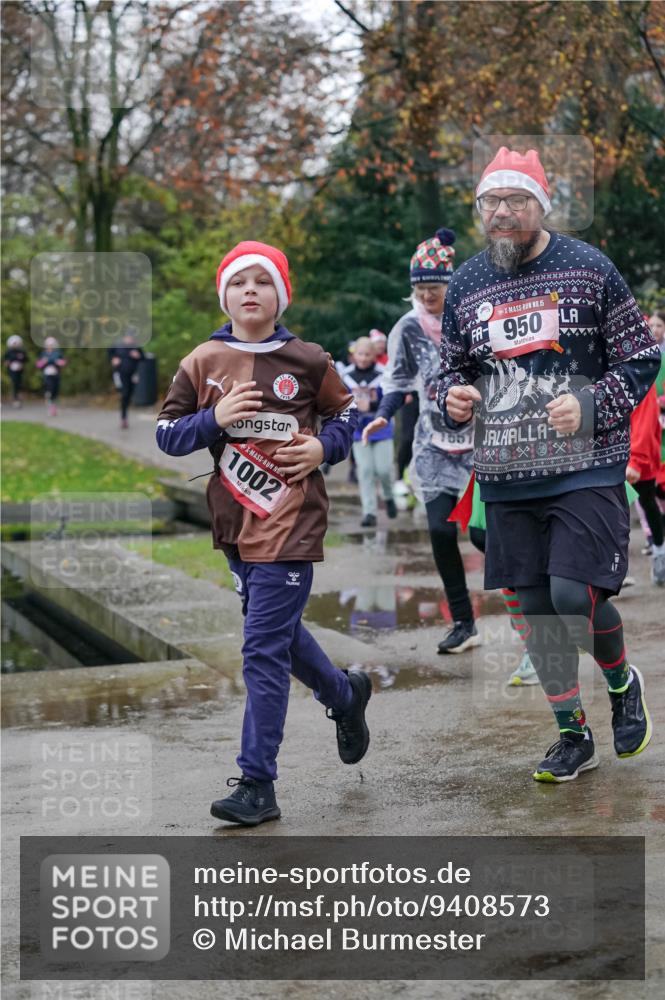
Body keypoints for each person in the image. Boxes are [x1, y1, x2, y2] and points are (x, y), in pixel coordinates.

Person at [438, 146, 660, 781]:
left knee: (572, 594)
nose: (503, 212)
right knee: (535, 608)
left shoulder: (590, 270)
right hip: (506, 475)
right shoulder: (467, 284)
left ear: (541, 205)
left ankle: (621, 681)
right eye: (491, 203)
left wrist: (590, 405)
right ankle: (573, 735)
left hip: (585, 465)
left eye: (516, 201)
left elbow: (641, 359)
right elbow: (450, 374)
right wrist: (452, 399)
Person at [156, 240, 371, 826]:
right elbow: (167, 433)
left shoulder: (308, 358)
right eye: (239, 281)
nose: (251, 290)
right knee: (277, 634)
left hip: (292, 523)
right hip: (233, 525)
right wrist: (213, 420)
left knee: (259, 648)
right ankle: (345, 696)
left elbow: (351, 415)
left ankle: (257, 782)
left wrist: (323, 446)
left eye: (263, 281)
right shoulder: (202, 360)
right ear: (224, 294)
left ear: (281, 295)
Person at [362, 228, 481, 654]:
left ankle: (531, 619)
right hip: (433, 443)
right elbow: (395, 382)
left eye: (434, 289)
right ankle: (463, 622)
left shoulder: (472, 317)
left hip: (480, 442)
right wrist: (380, 416)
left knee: (486, 536)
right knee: (440, 530)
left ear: (450, 284)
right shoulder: (407, 328)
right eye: (420, 291)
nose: (427, 298)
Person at [341, 335, 397, 526]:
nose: (363, 358)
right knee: (364, 470)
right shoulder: (345, 376)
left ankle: (388, 497)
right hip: (358, 431)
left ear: (373, 355)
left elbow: (391, 398)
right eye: (360, 354)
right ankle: (369, 513)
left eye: (367, 354)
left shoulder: (383, 374)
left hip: (381, 428)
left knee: (383, 470)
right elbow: (339, 401)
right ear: (354, 355)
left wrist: (371, 405)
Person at [108, 329, 145, 429]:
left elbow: (143, 357)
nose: (130, 340)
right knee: (124, 394)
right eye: (128, 337)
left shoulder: (136, 347)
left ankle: (124, 412)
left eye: (132, 338)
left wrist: (138, 356)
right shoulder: (117, 345)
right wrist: (113, 359)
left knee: (129, 395)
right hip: (120, 374)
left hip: (132, 375)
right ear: (124, 337)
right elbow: (109, 353)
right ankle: (123, 418)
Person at [36, 337, 66, 416]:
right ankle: (49, 398)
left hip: (56, 374)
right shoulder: (43, 354)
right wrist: (43, 362)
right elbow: (38, 365)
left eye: (52, 345)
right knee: (50, 387)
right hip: (47, 374)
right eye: (49, 345)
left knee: (56, 390)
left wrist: (59, 362)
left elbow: (63, 362)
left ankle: (53, 405)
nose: (50, 346)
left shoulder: (58, 353)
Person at [4, 335, 27, 407]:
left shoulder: (22, 351)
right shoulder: (9, 352)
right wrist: (7, 363)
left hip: (20, 371)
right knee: (14, 383)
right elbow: (5, 360)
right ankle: (15, 398)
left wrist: (21, 364)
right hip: (11, 371)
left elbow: (26, 359)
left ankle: (18, 398)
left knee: (19, 384)